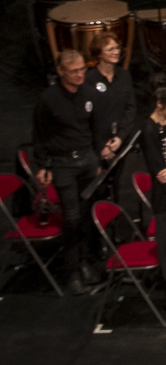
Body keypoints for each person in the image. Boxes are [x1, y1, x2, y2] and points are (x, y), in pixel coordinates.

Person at [32, 50, 112, 290]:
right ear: (60, 72)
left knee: (87, 214)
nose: (80, 74)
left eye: (82, 69)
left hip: (86, 160)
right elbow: (40, 135)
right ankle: (72, 269)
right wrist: (43, 165)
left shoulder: (89, 93)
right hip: (63, 163)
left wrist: (97, 161)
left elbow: (96, 129)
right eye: (74, 71)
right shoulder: (48, 99)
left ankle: (87, 261)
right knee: (72, 217)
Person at [82, 32, 136, 154]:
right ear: (99, 54)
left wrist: (120, 137)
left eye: (117, 48)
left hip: (121, 141)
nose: (116, 52)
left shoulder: (124, 75)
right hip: (97, 146)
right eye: (111, 49)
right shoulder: (89, 79)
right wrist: (101, 145)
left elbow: (131, 108)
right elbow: (87, 118)